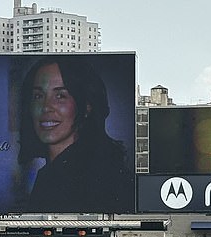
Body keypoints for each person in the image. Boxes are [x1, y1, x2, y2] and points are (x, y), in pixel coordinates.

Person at [18, 57, 131, 213]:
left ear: (86, 106)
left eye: (60, 96)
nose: (46, 107)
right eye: (38, 96)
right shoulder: (51, 173)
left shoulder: (99, 177)